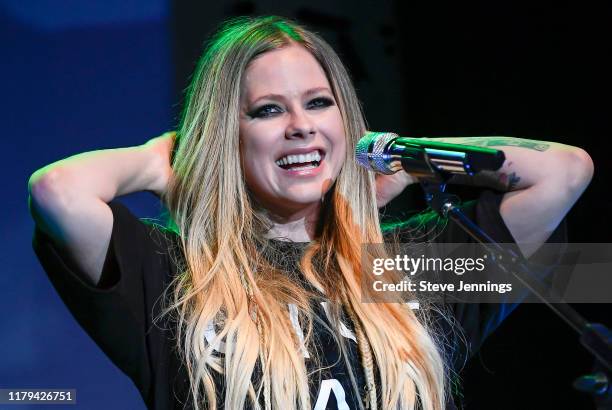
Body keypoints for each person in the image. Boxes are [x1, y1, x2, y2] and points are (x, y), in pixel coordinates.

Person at [28, 16, 593, 410]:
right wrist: (163, 160)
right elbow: (60, 191)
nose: (301, 124)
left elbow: (564, 171)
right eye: (269, 110)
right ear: (227, 136)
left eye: (320, 104)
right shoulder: (177, 273)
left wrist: (400, 155)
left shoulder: (405, 267)